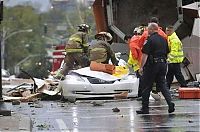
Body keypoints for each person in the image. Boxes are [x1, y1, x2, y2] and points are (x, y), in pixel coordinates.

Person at [136, 23, 175, 114]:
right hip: (163, 64)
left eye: (148, 30)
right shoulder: (164, 39)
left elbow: (145, 55)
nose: (147, 32)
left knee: (146, 85)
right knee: (162, 85)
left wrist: (141, 67)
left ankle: (145, 108)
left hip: (153, 65)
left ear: (151, 30)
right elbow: (167, 52)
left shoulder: (149, 40)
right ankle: (170, 103)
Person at [138, 17, 167, 94]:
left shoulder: (146, 33)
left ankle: (145, 98)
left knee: (147, 81)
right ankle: (158, 91)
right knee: (161, 81)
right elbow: (166, 46)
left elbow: (140, 45)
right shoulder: (163, 34)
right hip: (162, 61)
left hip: (149, 60)